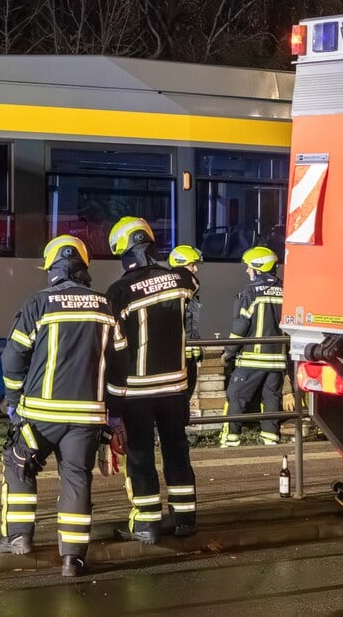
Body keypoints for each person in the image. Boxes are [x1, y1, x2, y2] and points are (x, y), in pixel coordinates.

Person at [0, 234, 127, 578]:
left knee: (18, 465)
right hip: (87, 417)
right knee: (77, 480)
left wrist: (15, 400)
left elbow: (12, 356)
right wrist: (114, 411)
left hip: (39, 416)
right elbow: (120, 363)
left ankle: (19, 538)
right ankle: (73, 559)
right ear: (83, 268)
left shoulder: (39, 303)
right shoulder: (104, 305)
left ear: (52, 268)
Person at [106, 217, 198, 544]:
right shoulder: (182, 278)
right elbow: (191, 290)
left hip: (137, 392)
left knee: (141, 455)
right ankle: (185, 517)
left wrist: (112, 404)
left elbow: (116, 350)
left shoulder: (119, 292)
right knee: (177, 449)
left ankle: (146, 525)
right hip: (176, 388)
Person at [220, 246, 286, 447]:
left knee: (236, 396)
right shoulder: (286, 290)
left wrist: (229, 352)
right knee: (271, 400)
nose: (247, 271)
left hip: (252, 358)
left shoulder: (250, 292)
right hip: (278, 360)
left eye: (249, 267)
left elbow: (241, 325)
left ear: (258, 267)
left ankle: (230, 441)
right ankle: (270, 440)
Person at [168, 245, 204, 403]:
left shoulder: (186, 292)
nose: (195, 269)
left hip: (185, 353)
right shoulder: (180, 292)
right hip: (179, 355)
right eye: (192, 265)